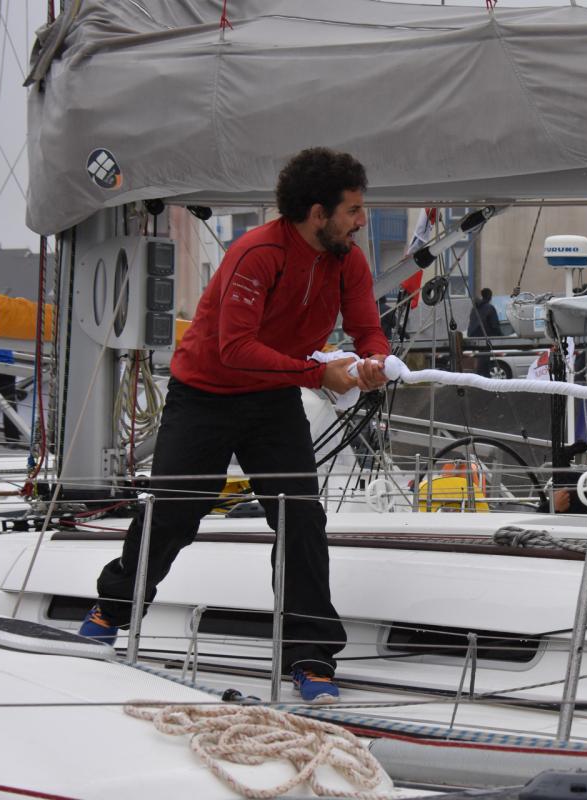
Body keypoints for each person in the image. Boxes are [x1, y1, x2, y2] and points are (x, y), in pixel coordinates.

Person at [79, 147, 390, 705]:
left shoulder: (349, 261)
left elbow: (368, 329)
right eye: (353, 210)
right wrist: (318, 374)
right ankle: (111, 610)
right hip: (206, 395)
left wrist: (374, 363)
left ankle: (311, 656)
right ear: (317, 213)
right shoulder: (258, 253)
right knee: (174, 512)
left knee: (300, 519)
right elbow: (236, 348)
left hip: (271, 400)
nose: (361, 221)